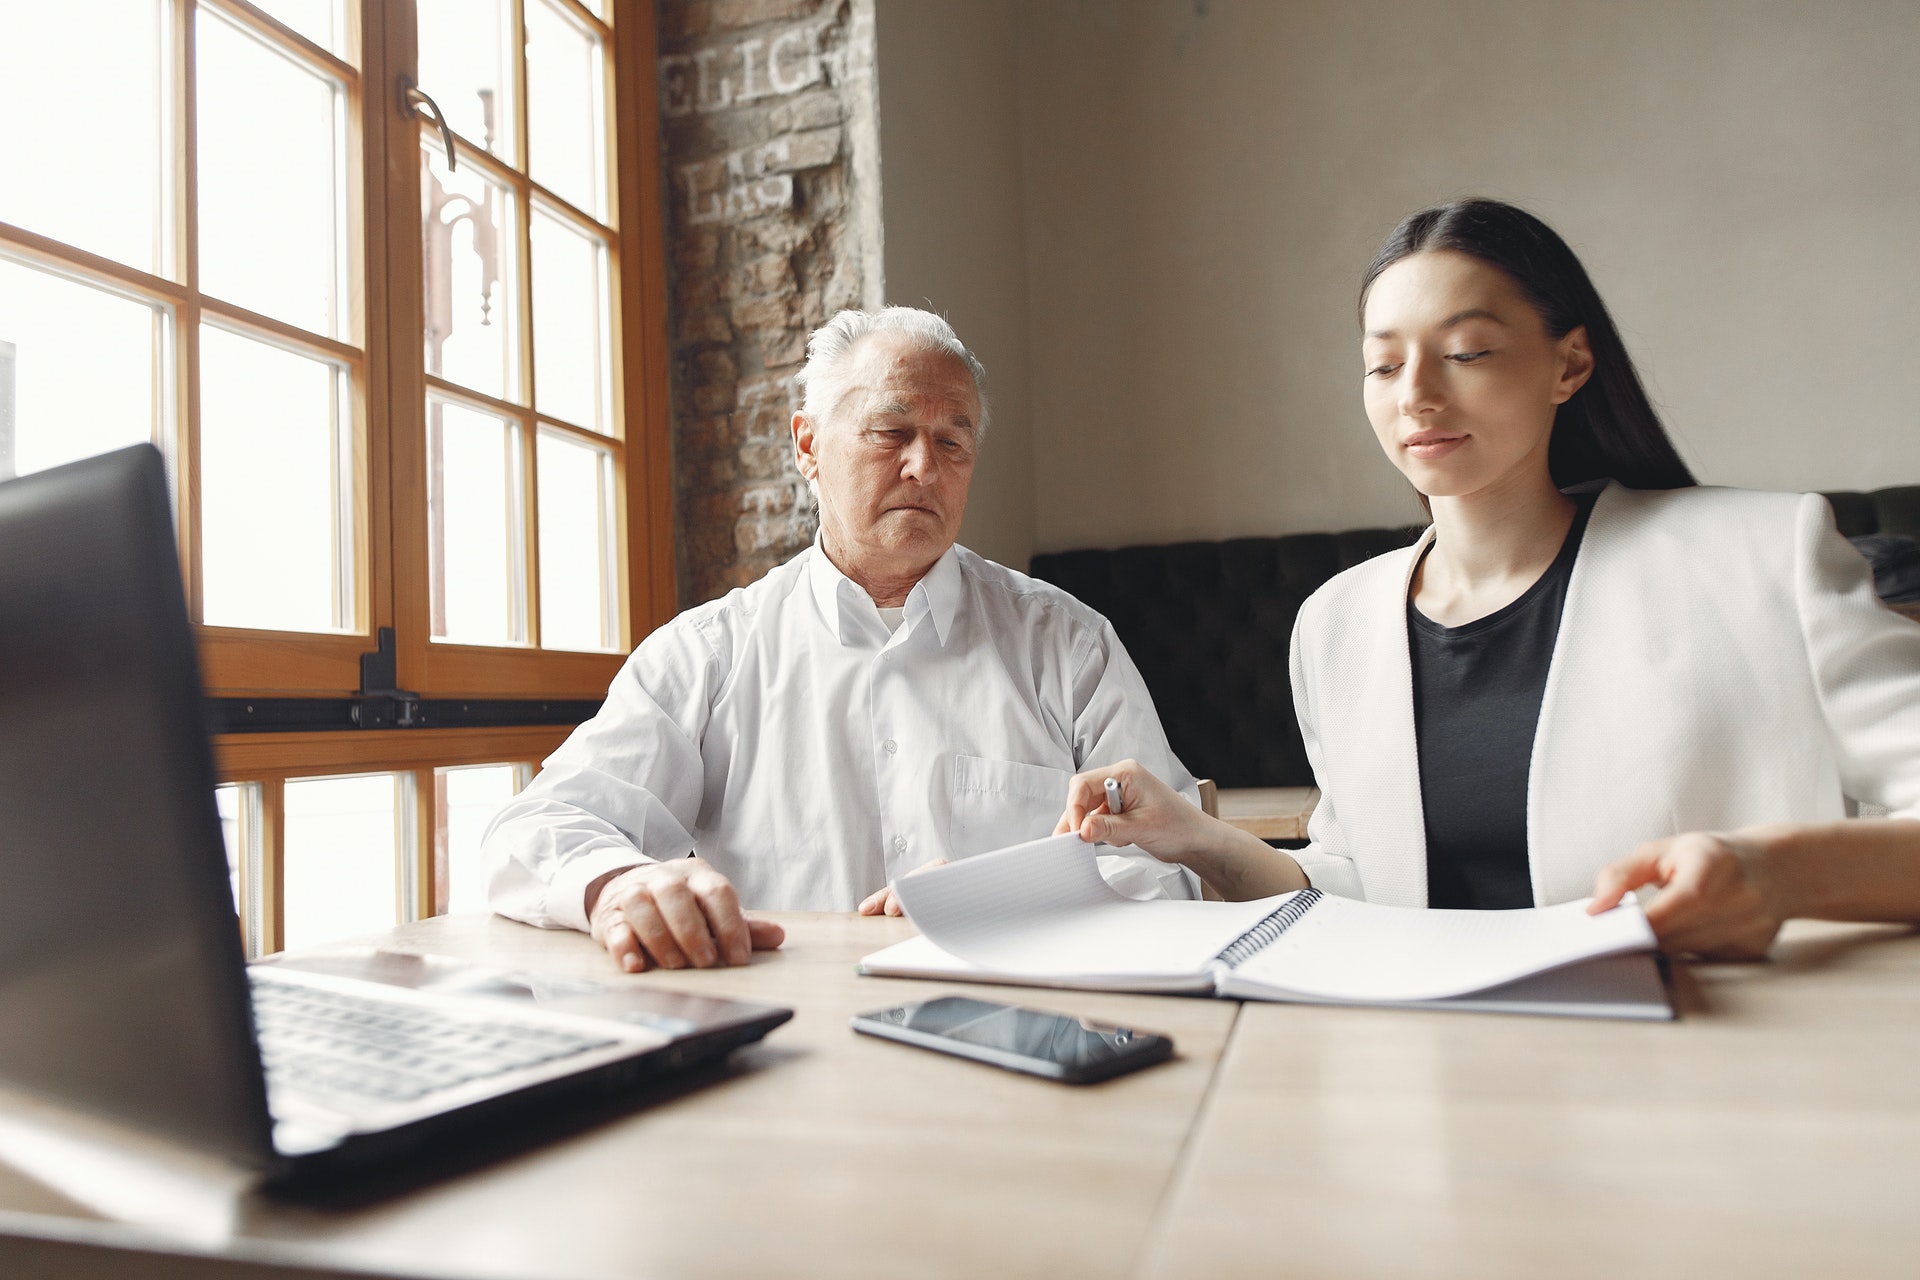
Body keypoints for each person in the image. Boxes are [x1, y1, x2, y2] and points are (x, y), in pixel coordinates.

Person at [1056, 199, 1920, 959]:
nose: (1417, 395)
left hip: (1720, 1086)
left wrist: (1779, 875)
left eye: (1466, 352)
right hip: (1441, 1087)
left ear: (1570, 365)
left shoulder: (1766, 556)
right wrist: (1195, 839)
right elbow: (1362, 895)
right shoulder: (1338, 622)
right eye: (1385, 364)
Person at [486, 307, 1198, 972]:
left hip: (1027, 1030)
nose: (925, 465)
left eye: (954, 441)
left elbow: (1178, 858)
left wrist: (1013, 896)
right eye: (891, 432)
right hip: (788, 1051)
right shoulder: (707, 655)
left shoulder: (1067, 643)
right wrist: (618, 886)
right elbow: (536, 828)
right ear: (807, 447)